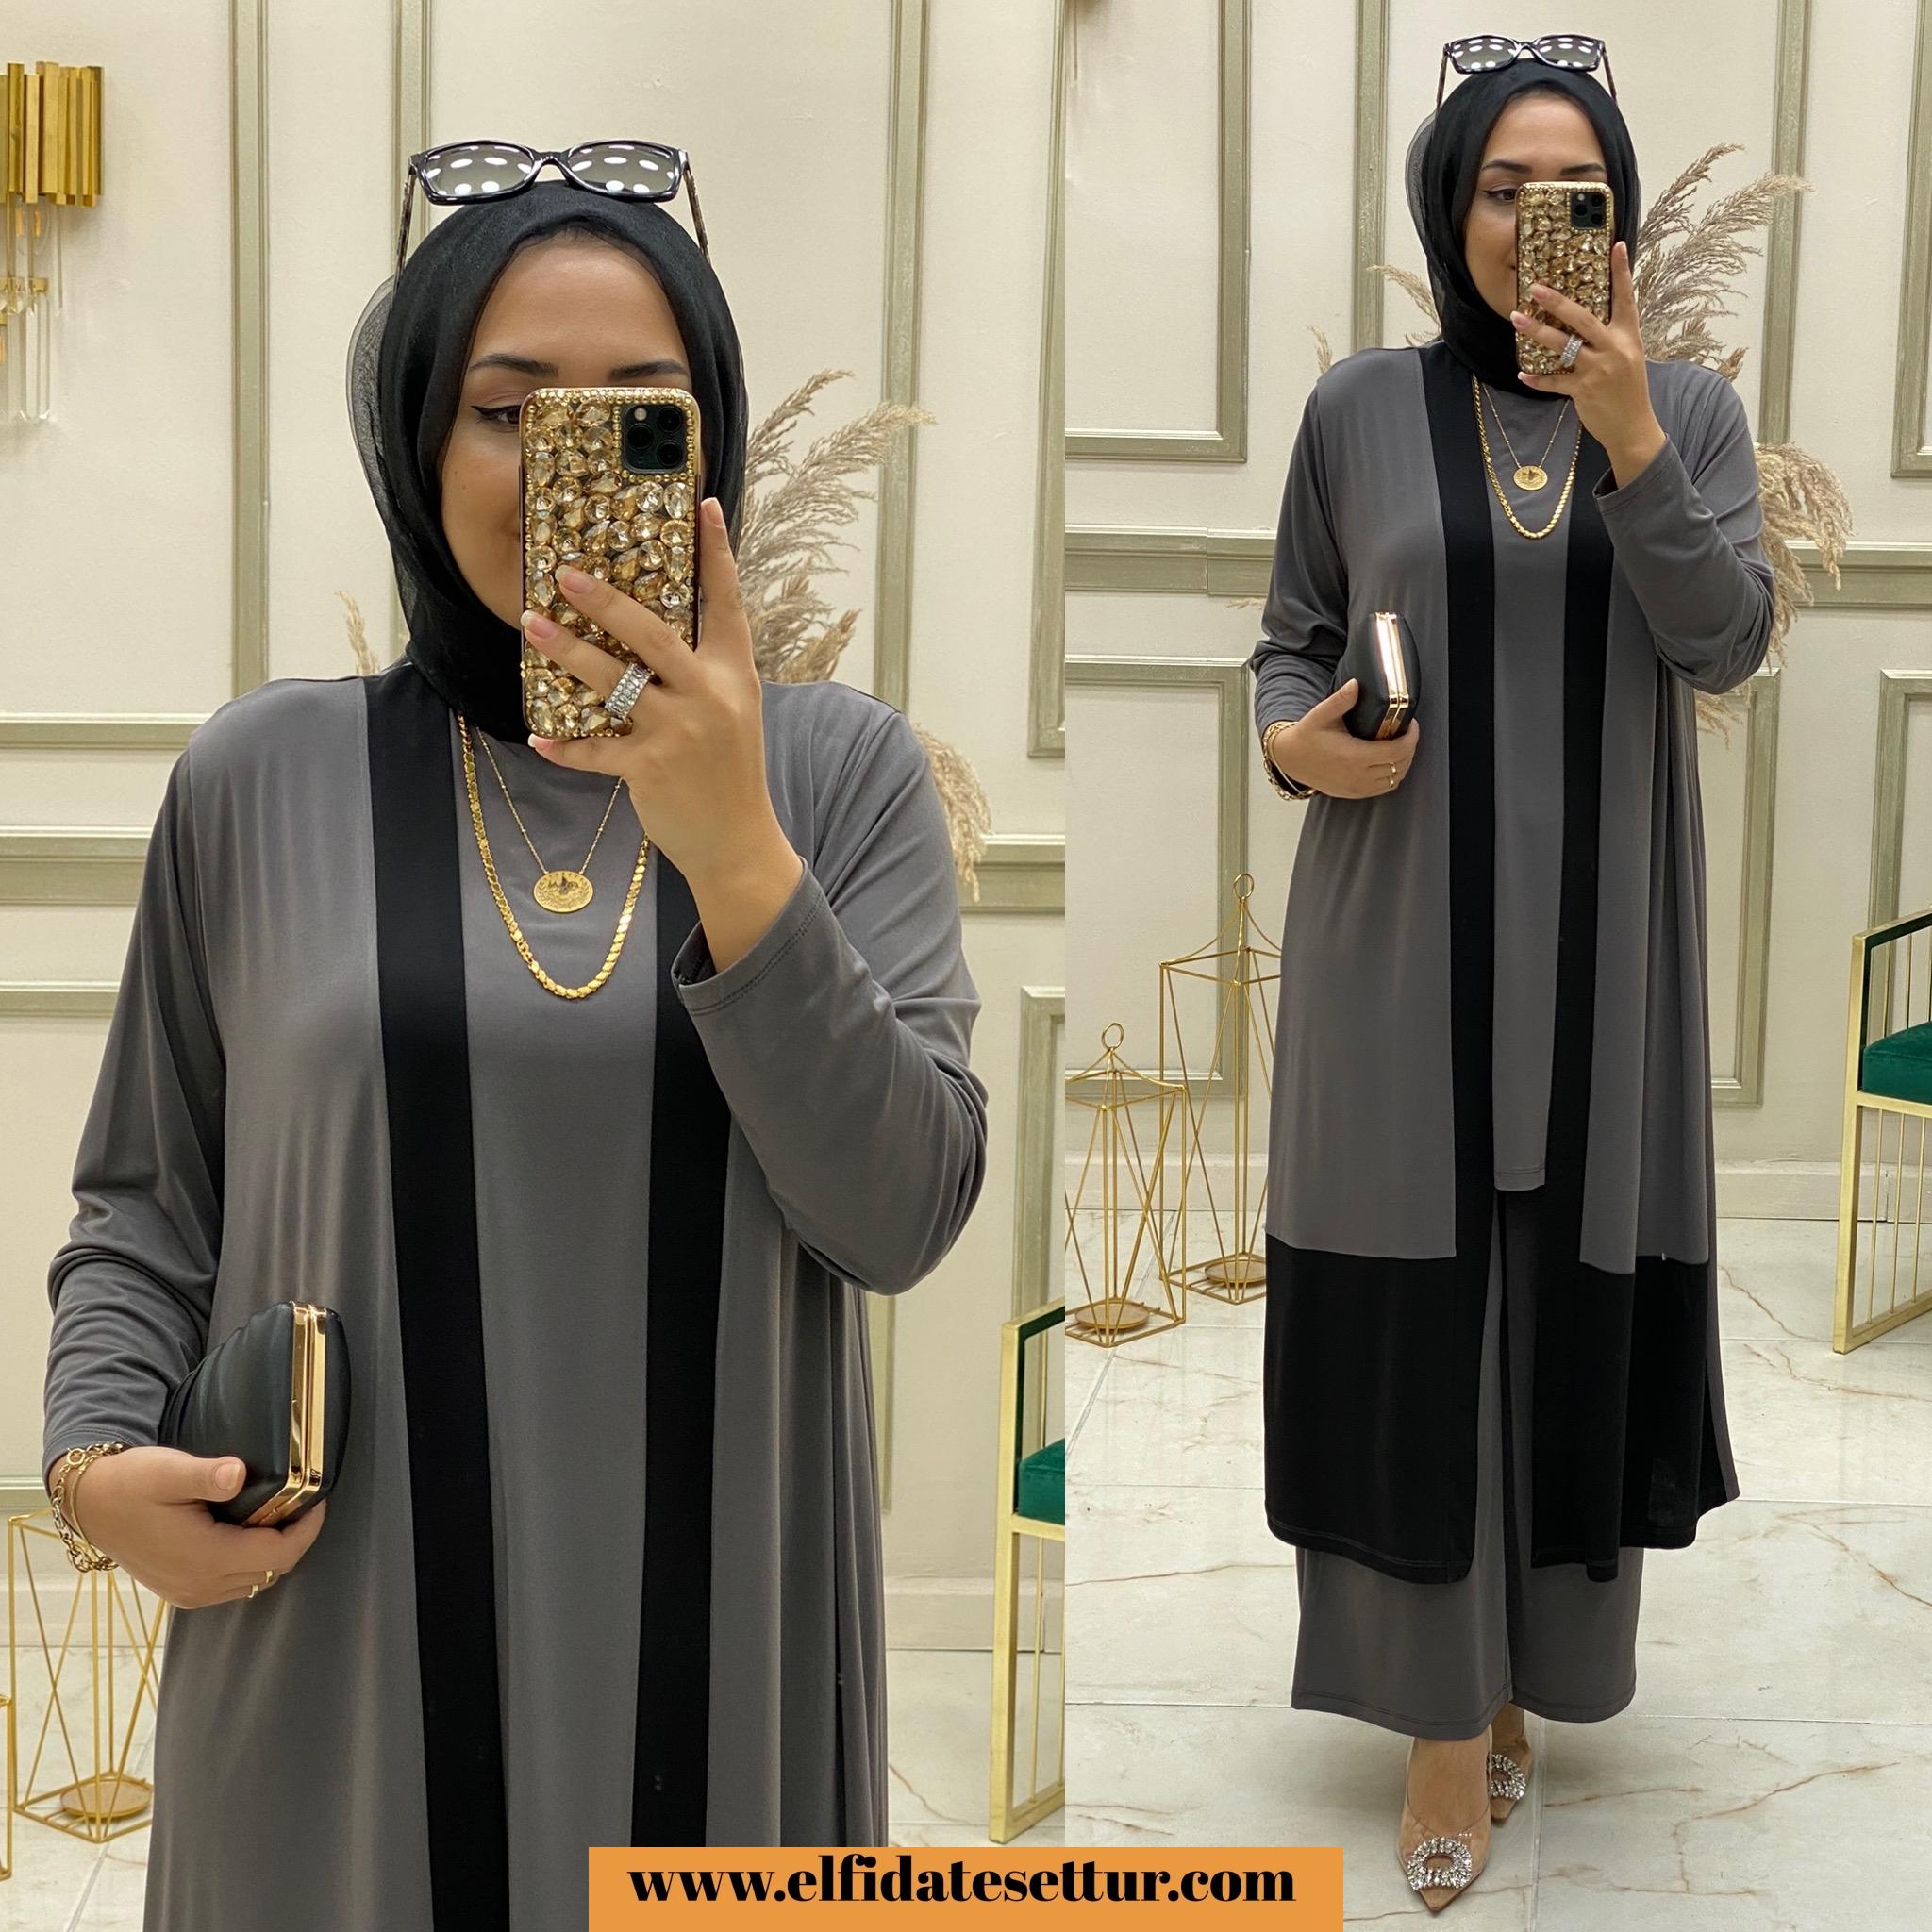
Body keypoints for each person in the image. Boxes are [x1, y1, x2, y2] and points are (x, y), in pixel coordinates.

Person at [40, 170, 989, 1928]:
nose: (565, 465)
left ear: (706, 457)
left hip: (724, 1659)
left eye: (637, 414)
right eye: (505, 411)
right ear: (419, 443)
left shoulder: (841, 780)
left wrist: (735, 846)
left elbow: (902, 1214)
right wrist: (95, 1467)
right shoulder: (259, 781)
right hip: (337, 1664)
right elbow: (143, 1211)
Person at [1247, 48, 1769, 1913]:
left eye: (1577, 194)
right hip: (1397, 942)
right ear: (1445, 208)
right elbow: (1288, 645)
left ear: (1619, 223)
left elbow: (1722, 640)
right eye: (1501, 188)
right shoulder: (1358, 411)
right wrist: (1300, 747)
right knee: (1425, 1299)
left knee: (1559, 1288)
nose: (1537, 222)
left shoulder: (1688, 410)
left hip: (1606, 956)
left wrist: (1631, 434)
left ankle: (1527, 1667)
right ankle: (1437, 1725)